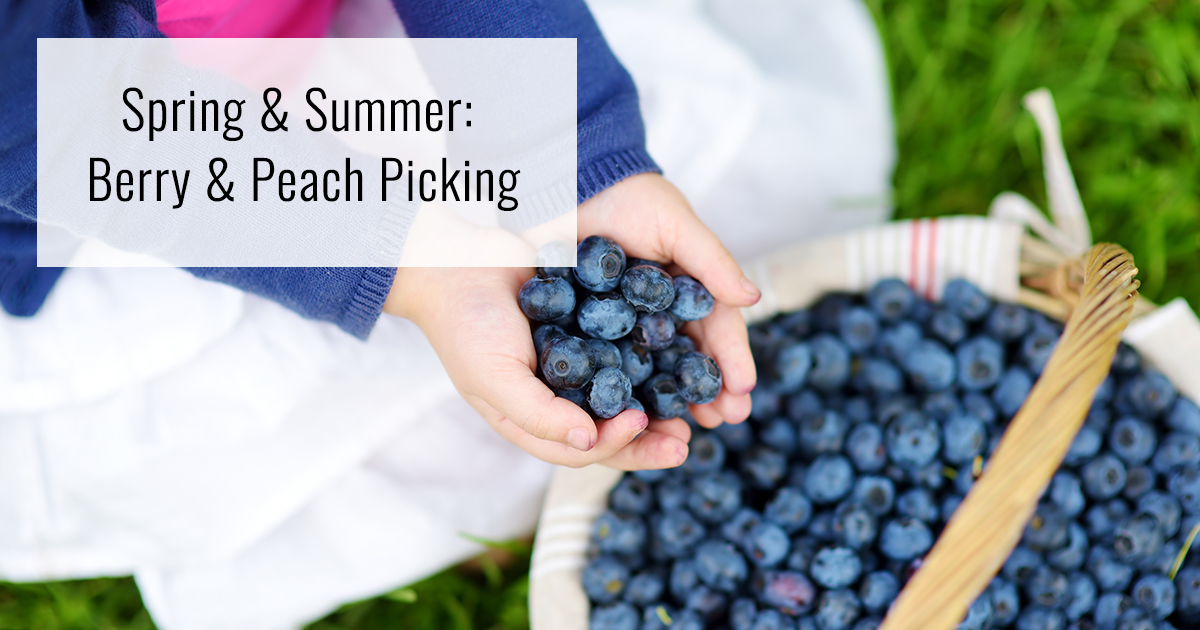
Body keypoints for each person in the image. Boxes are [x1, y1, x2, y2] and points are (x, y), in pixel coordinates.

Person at [0, 0, 768, 627]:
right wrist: (407, 260)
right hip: (98, 195)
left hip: (294, 39)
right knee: (254, 434)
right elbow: (45, 108)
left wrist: (573, 154)